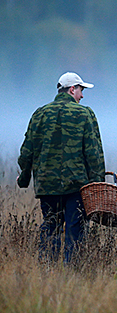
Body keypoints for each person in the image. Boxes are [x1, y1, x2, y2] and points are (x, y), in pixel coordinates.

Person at [17, 72, 105, 266]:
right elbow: (94, 153)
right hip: (77, 188)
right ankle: (73, 277)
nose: (82, 96)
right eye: (81, 90)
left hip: (47, 186)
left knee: (51, 229)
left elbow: (26, 152)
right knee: (75, 232)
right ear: (72, 89)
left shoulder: (39, 114)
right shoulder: (85, 114)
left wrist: (24, 179)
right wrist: (98, 185)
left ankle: (48, 273)